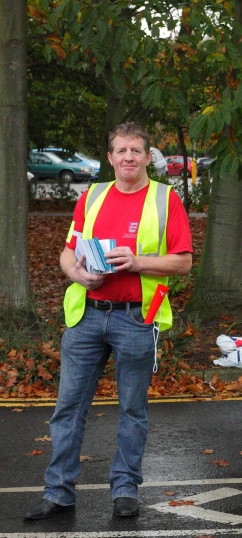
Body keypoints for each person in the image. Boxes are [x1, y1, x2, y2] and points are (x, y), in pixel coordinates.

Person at [23, 123, 193, 520]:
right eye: (121, 150)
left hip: (136, 319)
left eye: (136, 150)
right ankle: (59, 492)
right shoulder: (93, 195)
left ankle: (125, 488)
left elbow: (182, 262)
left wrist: (138, 262)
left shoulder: (166, 200)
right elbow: (69, 252)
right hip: (86, 317)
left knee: (133, 410)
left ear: (148, 157)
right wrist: (77, 274)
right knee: (67, 408)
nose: (129, 157)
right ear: (111, 157)